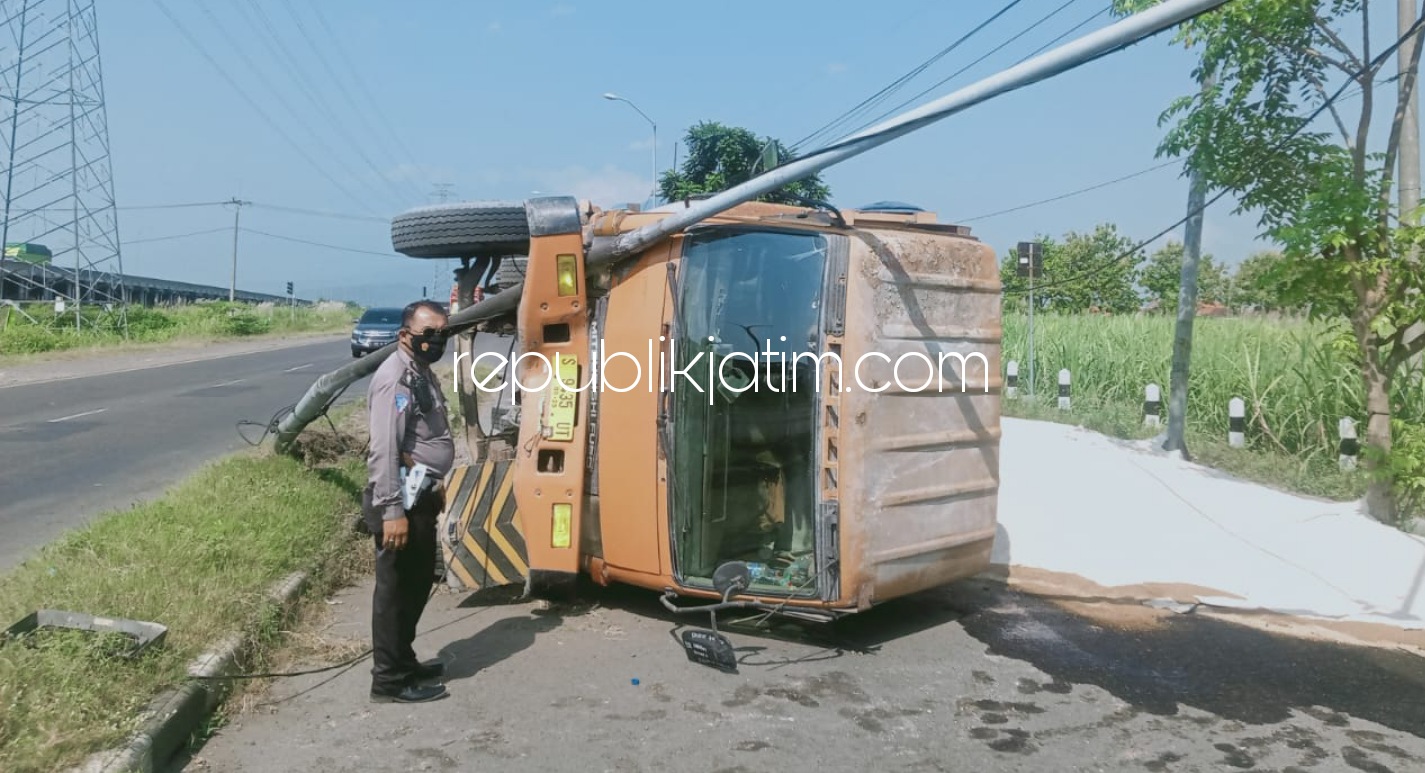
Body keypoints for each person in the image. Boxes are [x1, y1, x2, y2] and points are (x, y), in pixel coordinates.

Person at [362, 299, 454, 703]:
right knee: (395, 592)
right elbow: (384, 448)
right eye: (427, 334)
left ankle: (404, 659)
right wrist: (392, 511)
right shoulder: (395, 377)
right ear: (405, 335)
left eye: (442, 334)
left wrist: (436, 481)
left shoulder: (419, 371)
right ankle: (389, 681)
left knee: (416, 586)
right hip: (400, 499)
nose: (436, 341)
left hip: (420, 492)